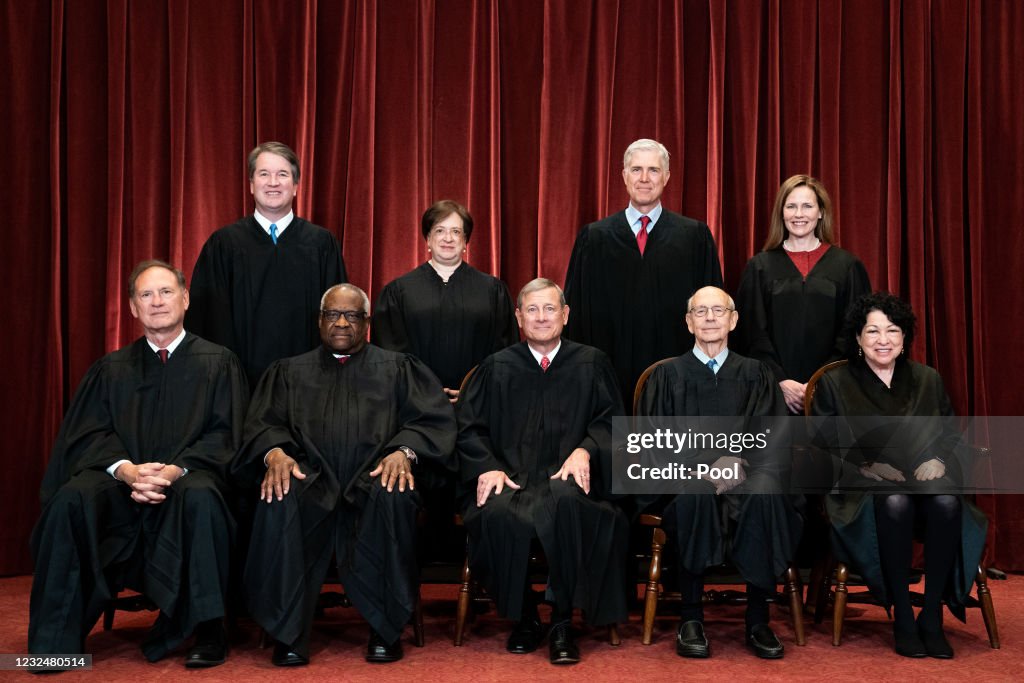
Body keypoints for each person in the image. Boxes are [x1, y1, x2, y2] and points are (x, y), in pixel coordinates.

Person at [29, 260, 247, 668]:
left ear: (185, 298)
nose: (157, 302)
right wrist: (127, 470)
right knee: (71, 499)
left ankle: (209, 631)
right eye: (145, 295)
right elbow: (87, 435)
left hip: (186, 481)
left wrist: (172, 471)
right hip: (121, 486)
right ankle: (55, 644)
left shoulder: (218, 363)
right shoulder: (111, 369)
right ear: (132, 307)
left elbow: (226, 435)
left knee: (203, 497)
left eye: (166, 292)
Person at [237, 284, 456, 666]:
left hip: (373, 478)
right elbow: (262, 424)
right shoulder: (289, 372)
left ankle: (385, 628)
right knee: (279, 495)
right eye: (333, 315)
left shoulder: (398, 369)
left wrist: (403, 452)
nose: (341, 322)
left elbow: (432, 421)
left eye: (352, 315)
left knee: (394, 494)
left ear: (367, 322)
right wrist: (275, 454)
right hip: (311, 480)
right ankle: (288, 631)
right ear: (319, 321)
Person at [457, 278, 629, 666]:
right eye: (532, 310)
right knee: (498, 513)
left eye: (550, 309)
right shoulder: (496, 367)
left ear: (565, 315)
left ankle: (563, 622)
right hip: (512, 478)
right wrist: (487, 467)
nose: (541, 317)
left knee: (568, 505)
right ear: (518, 317)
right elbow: (469, 427)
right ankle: (526, 616)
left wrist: (586, 451)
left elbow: (612, 423)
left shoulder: (592, 363)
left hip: (570, 479)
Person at [810, 292, 987, 658]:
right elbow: (824, 446)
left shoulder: (927, 379)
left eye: (892, 331)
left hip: (924, 481)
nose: (883, 340)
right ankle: (903, 616)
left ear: (905, 338)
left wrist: (939, 458)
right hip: (863, 490)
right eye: (872, 331)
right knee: (894, 501)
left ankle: (932, 615)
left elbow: (950, 435)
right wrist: (866, 466)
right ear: (858, 339)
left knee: (945, 501)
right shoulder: (837, 383)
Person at [635, 286, 800, 660]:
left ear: (733, 319)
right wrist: (702, 469)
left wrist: (737, 461)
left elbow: (772, 436)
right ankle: (691, 617)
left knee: (765, 491)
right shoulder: (666, 376)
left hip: (749, 475)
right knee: (695, 493)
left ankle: (758, 618)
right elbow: (650, 444)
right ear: (688, 321)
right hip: (687, 479)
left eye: (718, 311)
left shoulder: (756, 374)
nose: (710, 318)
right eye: (701, 311)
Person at [564, 138, 722, 410]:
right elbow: (575, 314)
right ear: (624, 176)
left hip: (678, 377)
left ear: (667, 177)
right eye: (636, 170)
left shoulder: (694, 237)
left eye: (654, 170)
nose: (644, 178)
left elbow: (713, 311)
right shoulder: (594, 238)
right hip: (608, 375)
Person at [186, 141, 348, 389]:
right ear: (251, 185)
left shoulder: (321, 244)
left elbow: (338, 315)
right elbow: (205, 319)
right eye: (264, 174)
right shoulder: (224, 244)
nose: (273, 182)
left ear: (295, 186)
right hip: (238, 384)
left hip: (309, 383)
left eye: (282, 174)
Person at [735, 174, 870, 414]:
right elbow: (752, 332)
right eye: (791, 206)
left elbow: (853, 333)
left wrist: (821, 380)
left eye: (807, 206)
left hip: (833, 391)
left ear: (820, 212)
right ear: (781, 212)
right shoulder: (760, 267)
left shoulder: (847, 266)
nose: (799, 214)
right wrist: (780, 381)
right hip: (771, 394)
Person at [372, 199, 518, 401]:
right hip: (417, 405)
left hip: (478, 404)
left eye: (456, 232)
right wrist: (424, 391)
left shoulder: (492, 291)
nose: (448, 238)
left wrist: (473, 391)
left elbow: (504, 352)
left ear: (465, 241)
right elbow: (389, 355)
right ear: (428, 240)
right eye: (440, 231)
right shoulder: (398, 292)